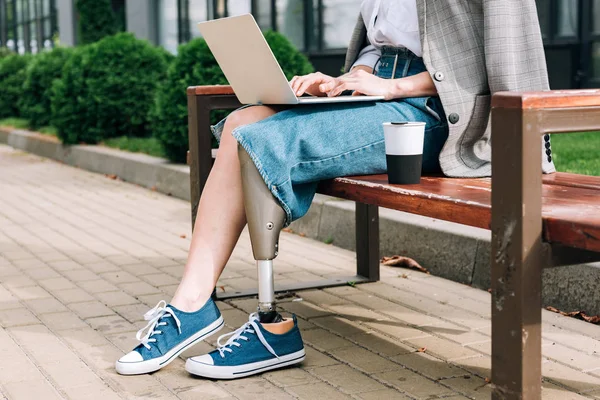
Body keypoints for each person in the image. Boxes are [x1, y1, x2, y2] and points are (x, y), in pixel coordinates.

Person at [115, 0, 555, 379]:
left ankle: (270, 327)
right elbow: (376, 44)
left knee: (267, 140)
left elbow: (489, 55)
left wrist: (393, 86)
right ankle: (194, 305)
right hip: (380, 93)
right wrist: (347, 79)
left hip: (433, 111)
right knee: (239, 123)